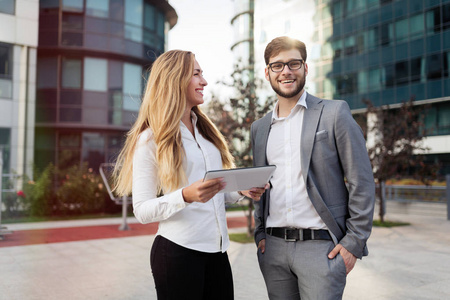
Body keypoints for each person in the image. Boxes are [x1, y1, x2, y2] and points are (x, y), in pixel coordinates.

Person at [113, 50, 266, 300]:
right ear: (175, 79)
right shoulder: (150, 139)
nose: (204, 81)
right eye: (196, 74)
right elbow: (142, 210)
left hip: (218, 253)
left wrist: (240, 190)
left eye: (202, 74)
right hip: (177, 254)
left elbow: (213, 191)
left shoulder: (206, 135)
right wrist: (184, 195)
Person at [251, 36, 376, 300]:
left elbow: (361, 180)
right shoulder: (259, 128)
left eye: (294, 63)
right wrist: (260, 233)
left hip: (321, 249)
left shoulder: (334, 113)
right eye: (277, 65)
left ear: (305, 68)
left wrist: (353, 243)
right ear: (267, 72)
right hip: (273, 248)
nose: (286, 71)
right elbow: (260, 187)